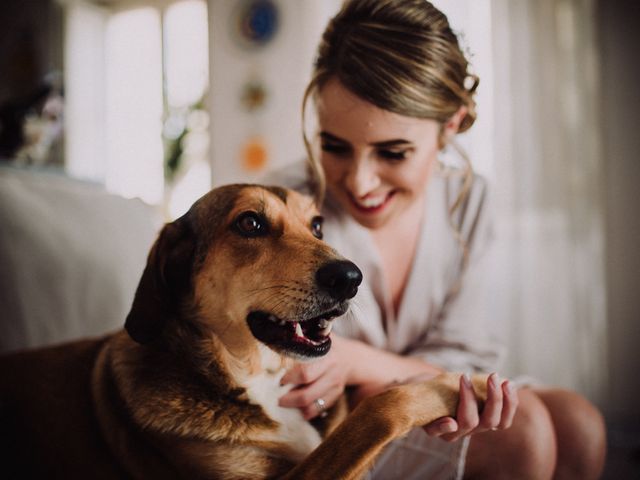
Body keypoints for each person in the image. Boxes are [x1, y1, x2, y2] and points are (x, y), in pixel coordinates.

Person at [270, 0, 606, 479]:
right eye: (334, 146)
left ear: (450, 127)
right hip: (334, 419)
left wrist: (362, 363)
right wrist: (383, 381)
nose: (360, 183)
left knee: (580, 423)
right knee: (525, 430)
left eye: (393, 152)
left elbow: (464, 356)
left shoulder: (469, 203)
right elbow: (284, 366)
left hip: (422, 387)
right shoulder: (285, 209)